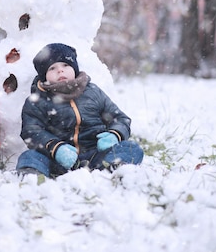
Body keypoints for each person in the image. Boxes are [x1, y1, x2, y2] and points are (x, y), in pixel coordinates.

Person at [16, 43, 143, 178]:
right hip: (58, 159)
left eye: (65, 65)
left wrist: (114, 134)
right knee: (29, 156)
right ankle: (32, 176)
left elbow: (119, 118)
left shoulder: (93, 93)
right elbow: (31, 131)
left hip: (95, 154)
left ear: (74, 68)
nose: (60, 70)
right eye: (52, 68)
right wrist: (56, 148)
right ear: (44, 76)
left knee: (131, 148)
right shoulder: (38, 100)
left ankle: (112, 169)